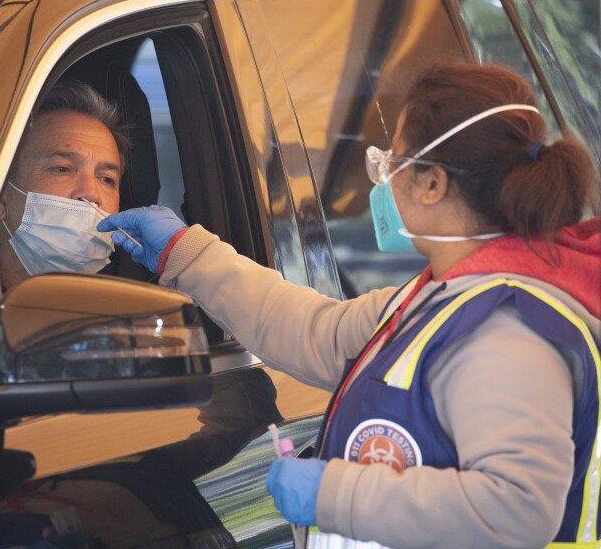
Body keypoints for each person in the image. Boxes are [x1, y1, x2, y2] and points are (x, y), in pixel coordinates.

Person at [98, 63, 601, 548]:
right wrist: (186, 252)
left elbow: (516, 512)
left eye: (391, 161)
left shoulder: (505, 332)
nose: (381, 180)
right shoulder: (436, 300)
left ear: (432, 183)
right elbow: (311, 330)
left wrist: (334, 494)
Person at [0, 81, 130, 290]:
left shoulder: (128, 311)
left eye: (106, 179)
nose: (91, 193)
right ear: (1, 196)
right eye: (62, 169)